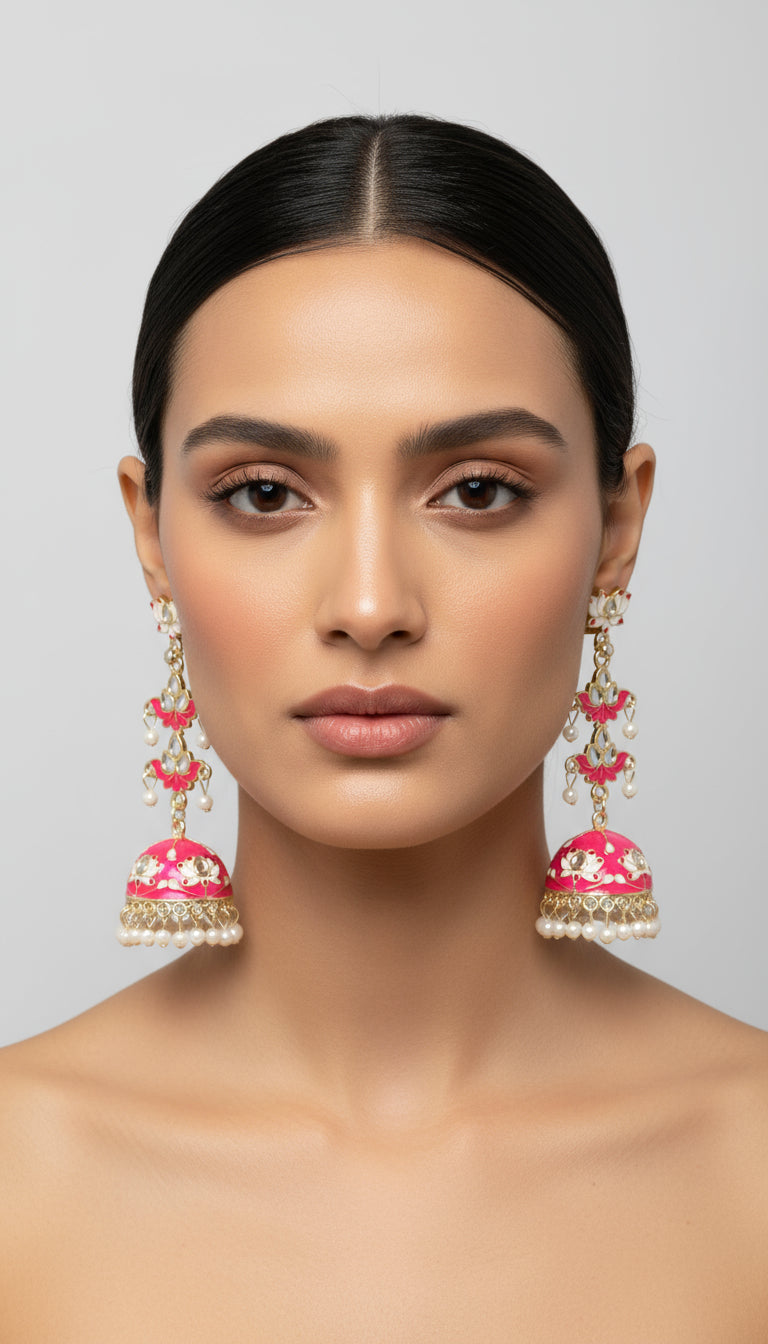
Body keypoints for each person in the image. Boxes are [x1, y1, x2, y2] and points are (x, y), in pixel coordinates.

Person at [1, 112, 766, 1340]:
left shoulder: (752, 1178)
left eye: (477, 492)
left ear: (617, 528)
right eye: (264, 494)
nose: (369, 606)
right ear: (152, 536)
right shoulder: (14, 1187)